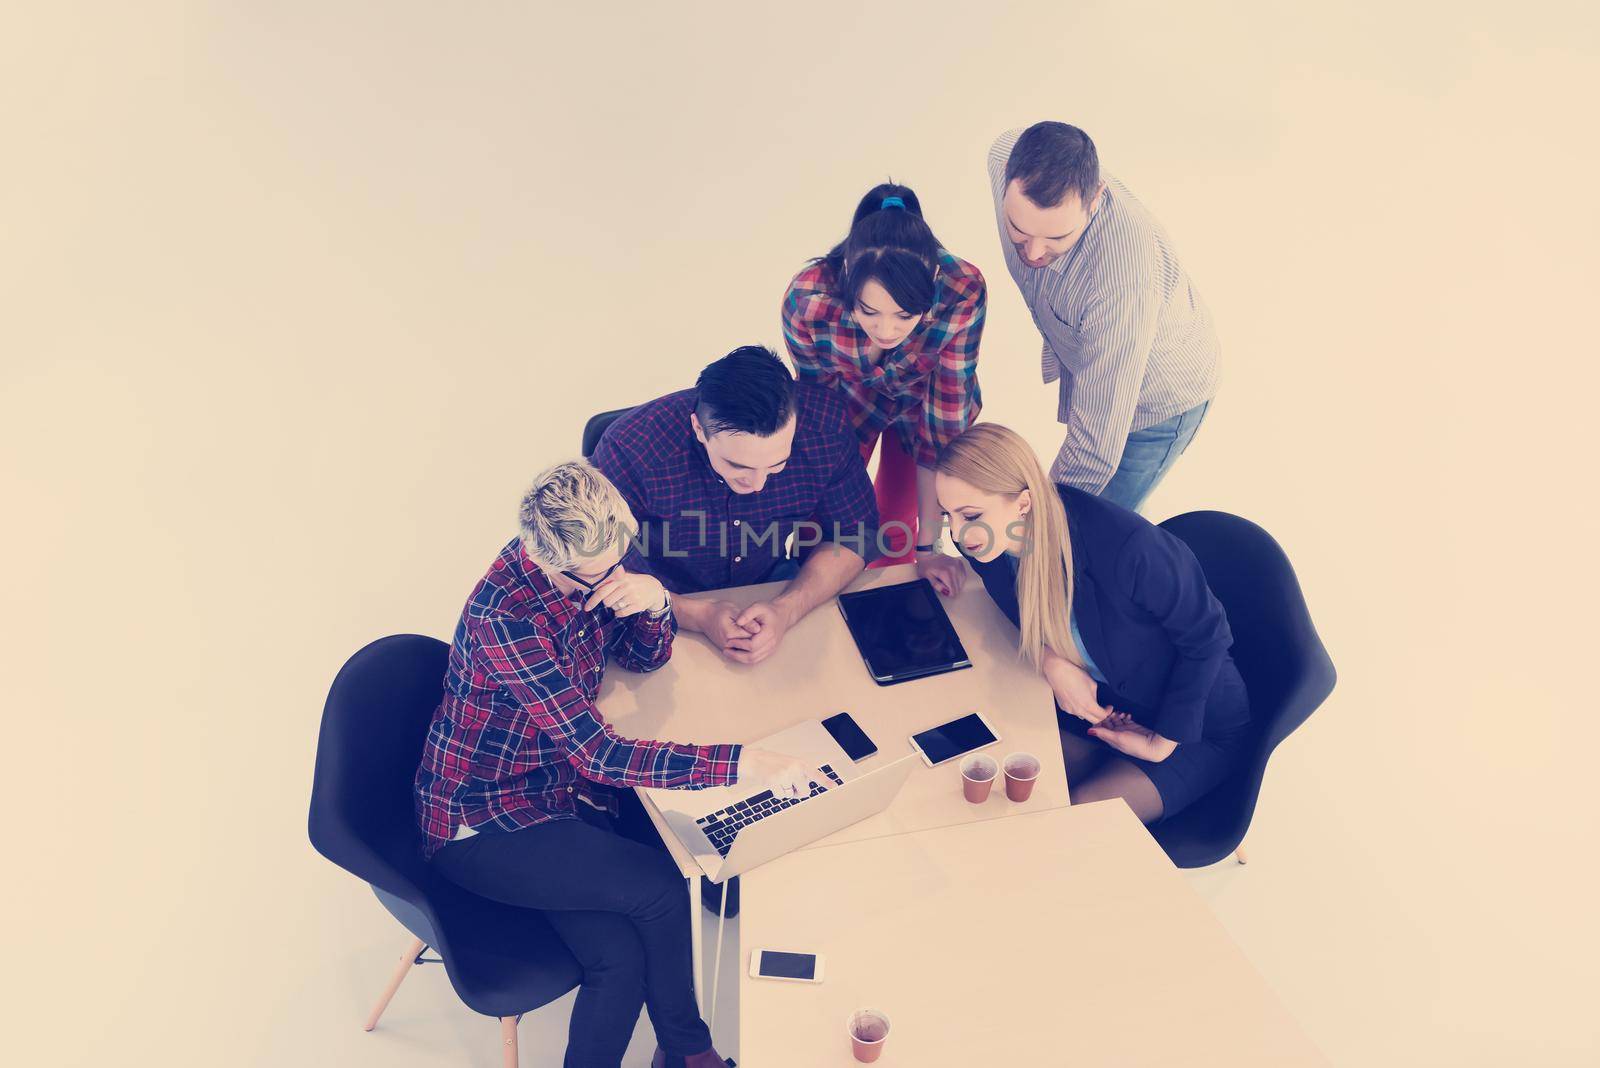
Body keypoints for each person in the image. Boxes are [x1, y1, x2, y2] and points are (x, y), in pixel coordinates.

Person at [414, 460, 816, 1068]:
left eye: (619, 563)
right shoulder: (507, 619)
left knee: (619, 960)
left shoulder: (589, 559)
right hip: (481, 820)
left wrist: (655, 605)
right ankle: (690, 1051)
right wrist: (744, 763)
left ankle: (683, 1053)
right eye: (594, 577)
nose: (609, 581)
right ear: (548, 559)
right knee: (660, 884)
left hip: (554, 790)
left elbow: (639, 657)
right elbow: (599, 754)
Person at [932, 423, 1251, 825]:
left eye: (970, 515)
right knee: (999, 787)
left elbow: (1208, 639)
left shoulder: (1128, 548)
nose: (958, 534)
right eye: (948, 515)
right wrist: (1049, 659)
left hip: (1195, 728)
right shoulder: (993, 543)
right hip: (1105, 712)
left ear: (1024, 502)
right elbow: (1022, 612)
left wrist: (1161, 744)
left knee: (1077, 819)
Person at [591, 345, 880, 668]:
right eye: (737, 466)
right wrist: (696, 615)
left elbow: (855, 535)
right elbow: (598, 568)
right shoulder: (631, 448)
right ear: (700, 429)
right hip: (660, 600)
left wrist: (787, 609)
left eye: (776, 465)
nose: (757, 485)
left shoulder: (825, 425)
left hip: (771, 584)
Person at [988, 122, 1221, 512]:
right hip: (1103, 360)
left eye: (1056, 239)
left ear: (1094, 201)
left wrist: (1038, 525)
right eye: (1018, 230)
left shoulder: (1122, 280)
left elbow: (1094, 450)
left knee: (1092, 533)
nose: (1033, 253)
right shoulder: (1002, 156)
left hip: (1158, 403)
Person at [781, 181, 985, 590]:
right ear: (848, 286)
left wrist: (929, 552)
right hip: (845, 398)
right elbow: (819, 413)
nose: (886, 330)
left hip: (922, 400)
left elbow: (942, 427)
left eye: (905, 316)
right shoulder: (808, 301)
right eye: (869, 312)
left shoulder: (962, 291)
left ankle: (887, 603)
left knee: (897, 526)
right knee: (826, 526)